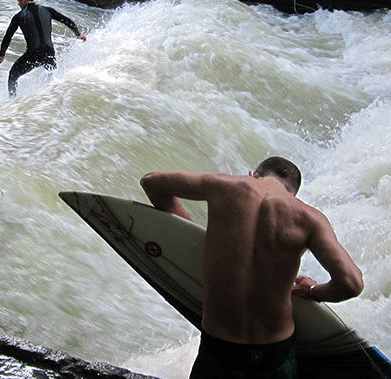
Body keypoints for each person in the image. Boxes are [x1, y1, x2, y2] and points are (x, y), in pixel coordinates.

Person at [140, 157, 363, 379]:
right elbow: (351, 283)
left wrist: (195, 236)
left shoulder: (222, 185)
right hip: (275, 352)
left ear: (253, 175)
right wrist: (313, 291)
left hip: (219, 348)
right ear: (292, 194)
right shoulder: (309, 218)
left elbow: (151, 182)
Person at [0, 0, 85, 97]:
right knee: (52, 79)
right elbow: (66, 20)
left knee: (13, 75)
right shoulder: (48, 10)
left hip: (34, 54)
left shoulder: (19, 16)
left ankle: (12, 101)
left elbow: (8, 36)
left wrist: (1, 55)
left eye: (18, 0)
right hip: (50, 53)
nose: (18, 4)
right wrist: (78, 34)